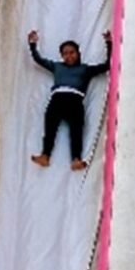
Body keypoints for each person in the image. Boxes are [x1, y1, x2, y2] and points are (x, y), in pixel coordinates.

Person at [27, 29, 112, 171]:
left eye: (72, 52)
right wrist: (32, 44)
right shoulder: (57, 67)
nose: (69, 56)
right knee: (50, 128)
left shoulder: (85, 69)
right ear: (61, 56)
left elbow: (107, 65)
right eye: (65, 54)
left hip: (75, 100)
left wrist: (109, 43)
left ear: (78, 53)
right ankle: (45, 155)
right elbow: (38, 59)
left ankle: (76, 159)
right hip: (57, 100)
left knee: (76, 131)